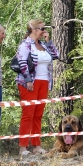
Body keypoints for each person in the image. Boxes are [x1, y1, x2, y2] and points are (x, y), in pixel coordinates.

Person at [15, 19, 59, 156]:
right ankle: (23, 147)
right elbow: (22, 62)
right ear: (34, 30)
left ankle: (36, 145)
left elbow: (56, 56)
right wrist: (28, 80)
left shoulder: (43, 45)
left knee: (38, 115)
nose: (44, 31)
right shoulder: (26, 44)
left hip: (44, 81)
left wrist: (48, 41)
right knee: (28, 114)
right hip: (29, 83)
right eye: (41, 29)